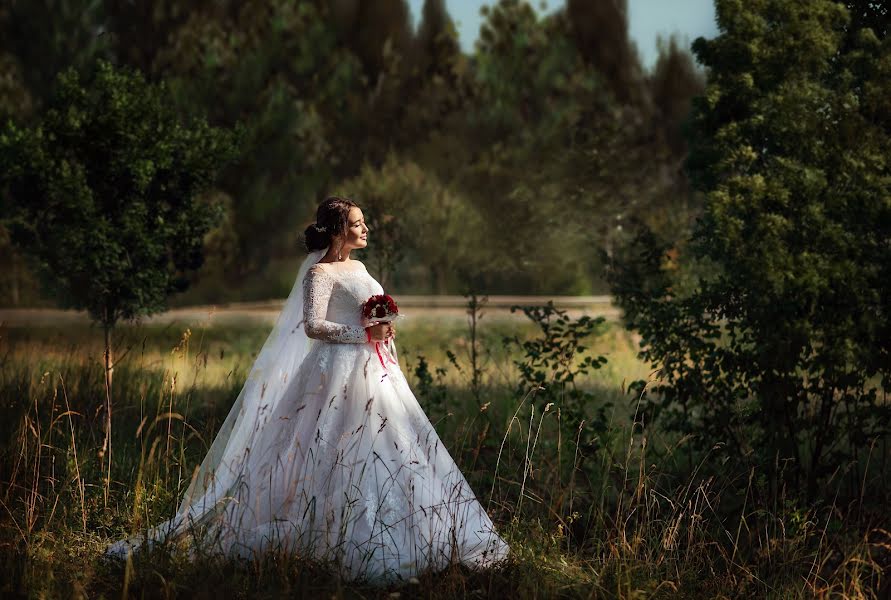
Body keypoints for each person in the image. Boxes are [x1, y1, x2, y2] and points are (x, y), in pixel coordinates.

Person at [107, 196, 510, 582]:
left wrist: (383, 334)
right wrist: (364, 334)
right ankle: (329, 533)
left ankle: (416, 531)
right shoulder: (320, 273)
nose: (365, 228)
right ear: (337, 231)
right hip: (334, 372)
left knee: (394, 446)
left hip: (375, 372)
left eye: (363, 222)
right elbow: (314, 325)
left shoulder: (360, 266)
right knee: (327, 446)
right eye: (357, 223)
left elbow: (372, 314)